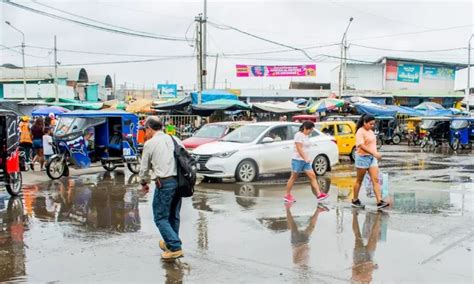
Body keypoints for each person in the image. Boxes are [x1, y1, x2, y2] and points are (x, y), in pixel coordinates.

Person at [139, 116, 184, 260]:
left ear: (149, 129)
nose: (145, 133)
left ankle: (175, 246)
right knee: (173, 215)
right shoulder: (175, 139)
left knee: (160, 217)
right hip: (179, 182)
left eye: (145, 130)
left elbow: (144, 168)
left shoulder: (150, 144)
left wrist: (143, 183)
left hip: (164, 183)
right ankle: (170, 244)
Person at [284, 121, 328, 203]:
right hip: (297, 160)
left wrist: (307, 158)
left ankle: (319, 194)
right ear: (305, 128)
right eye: (310, 129)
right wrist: (305, 158)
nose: (311, 131)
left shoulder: (306, 136)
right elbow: (299, 148)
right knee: (293, 177)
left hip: (306, 162)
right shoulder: (298, 135)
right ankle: (287, 195)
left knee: (312, 176)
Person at [352, 114, 389, 209]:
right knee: (359, 180)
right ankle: (355, 200)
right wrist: (374, 153)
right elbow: (361, 146)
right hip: (362, 158)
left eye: (373, 124)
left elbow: (372, 144)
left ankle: (379, 201)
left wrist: (375, 154)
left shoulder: (371, 131)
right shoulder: (360, 132)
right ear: (364, 123)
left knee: (375, 180)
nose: (372, 126)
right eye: (370, 124)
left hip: (372, 158)